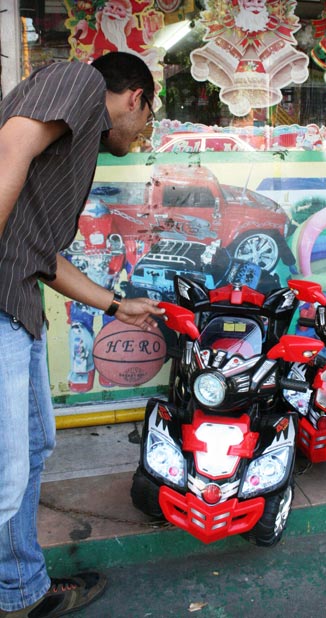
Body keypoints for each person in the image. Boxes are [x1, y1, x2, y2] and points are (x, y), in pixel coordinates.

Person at [0, 52, 166, 617]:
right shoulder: (80, 81)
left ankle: (19, 588)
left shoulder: (71, 148)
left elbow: (41, 256)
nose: (142, 133)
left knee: (31, 447)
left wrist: (118, 305)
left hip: (17, 304)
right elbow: (10, 148)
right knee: (3, 474)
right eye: (147, 118)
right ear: (135, 98)